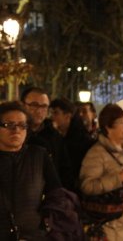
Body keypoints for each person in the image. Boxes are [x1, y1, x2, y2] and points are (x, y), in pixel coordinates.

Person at [79, 103, 123, 240]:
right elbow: (87, 186)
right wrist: (118, 178)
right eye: (122, 123)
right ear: (108, 127)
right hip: (110, 231)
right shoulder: (97, 153)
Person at [0, 101, 61, 240]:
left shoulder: (39, 155)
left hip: (33, 235)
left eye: (22, 125)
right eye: (9, 125)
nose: (16, 130)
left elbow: (56, 192)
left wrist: (47, 219)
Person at [21, 87, 74, 190]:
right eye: (34, 105)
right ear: (23, 105)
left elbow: (64, 170)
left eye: (44, 106)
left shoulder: (55, 137)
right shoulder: (14, 134)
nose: (39, 110)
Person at [50, 98, 95, 192]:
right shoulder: (57, 137)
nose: (52, 117)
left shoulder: (81, 141)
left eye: (56, 113)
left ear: (67, 116)